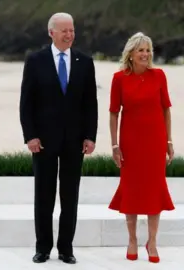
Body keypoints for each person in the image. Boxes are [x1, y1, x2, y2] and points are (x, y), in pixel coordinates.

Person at [19, 12, 98, 264]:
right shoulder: (35, 60)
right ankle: (43, 247)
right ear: (51, 32)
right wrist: (30, 135)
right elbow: (26, 103)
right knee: (43, 194)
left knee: (70, 195)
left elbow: (90, 104)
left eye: (72, 30)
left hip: (75, 140)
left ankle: (66, 248)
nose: (69, 34)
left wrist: (90, 136)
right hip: (43, 140)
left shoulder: (85, 61)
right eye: (64, 30)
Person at [108, 32, 175, 263]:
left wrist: (169, 141)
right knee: (132, 189)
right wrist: (115, 144)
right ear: (131, 54)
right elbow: (114, 113)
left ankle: (153, 241)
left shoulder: (159, 75)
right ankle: (132, 240)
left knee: (155, 189)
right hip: (131, 142)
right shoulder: (119, 79)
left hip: (155, 142)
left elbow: (166, 109)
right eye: (141, 50)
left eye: (148, 50)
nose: (145, 54)